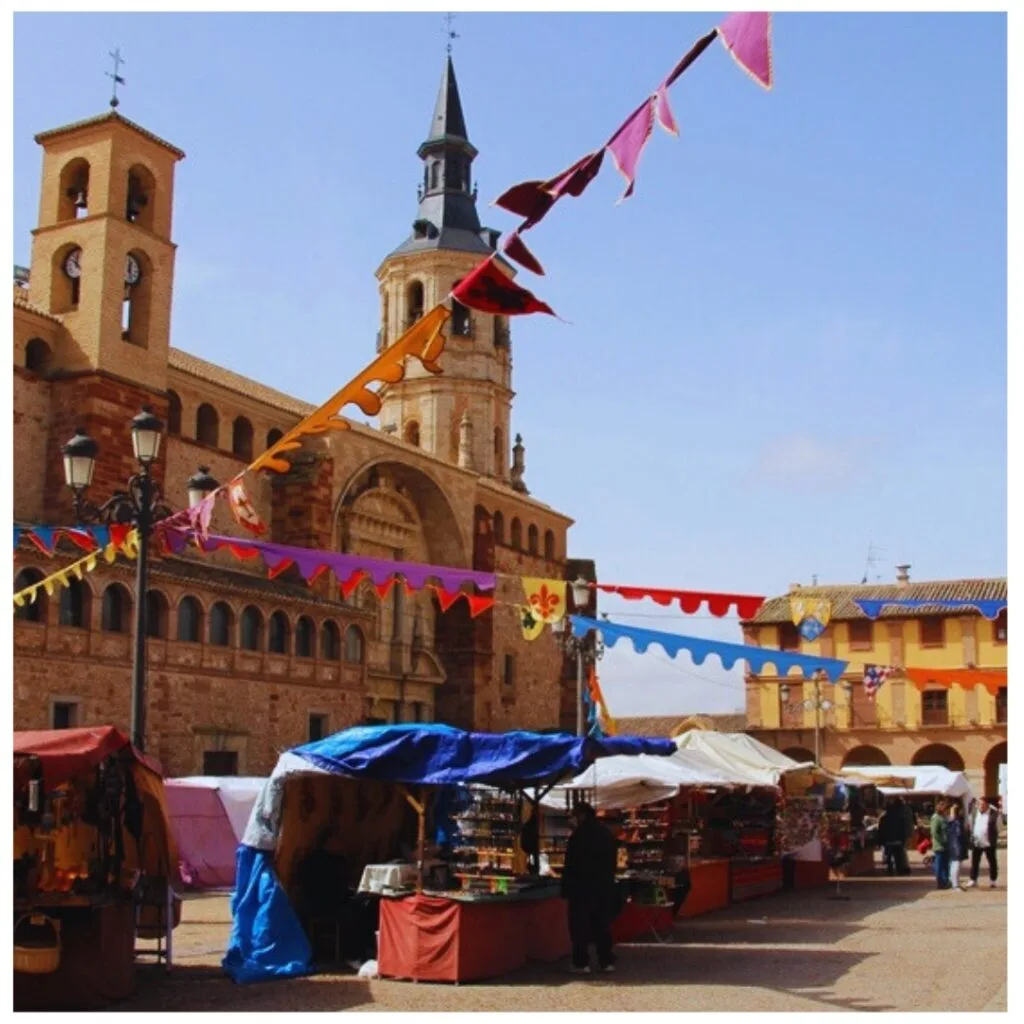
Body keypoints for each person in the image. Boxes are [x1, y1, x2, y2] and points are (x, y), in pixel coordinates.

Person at [560, 802, 618, 975]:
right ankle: (606, 960)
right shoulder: (606, 834)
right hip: (603, 886)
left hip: (581, 888)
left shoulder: (578, 836)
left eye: (575, 815)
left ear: (583, 815)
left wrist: (566, 888)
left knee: (580, 927)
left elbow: (571, 864)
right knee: (602, 926)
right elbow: (613, 861)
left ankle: (581, 962)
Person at [967, 796, 1000, 889]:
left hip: (988, 842)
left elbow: (999, 827)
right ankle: (973, 880)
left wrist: (993, 837)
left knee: (992, 862)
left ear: (987, 805)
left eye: (983, 804)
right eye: (979, 804)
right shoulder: (974, 813)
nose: (980, 806)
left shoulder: (993, 814)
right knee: (975, 862)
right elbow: (971, 824)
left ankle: (993, 881)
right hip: (977, 841)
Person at [878, 799, 907, 877]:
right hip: (898, 840)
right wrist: (903, 839)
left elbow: (881, 830)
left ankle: (890, 870)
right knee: (898, 857)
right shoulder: (900, 817)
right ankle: (898, 870)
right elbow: (903, 829)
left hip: (888, 841)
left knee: (889, 857)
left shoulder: (883, 818)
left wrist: (881, 840)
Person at [929, 799, 950, 890]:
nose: (947, 811)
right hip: (939, 846)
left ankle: (945, 881)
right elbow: (934, 832)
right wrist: (943, 841)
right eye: (945, 809)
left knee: (945, 864)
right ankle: (940, 882)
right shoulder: (936, 818)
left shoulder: (943, 817)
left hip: (946, 845)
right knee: (940, 865)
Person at [946, 803, 967, 890]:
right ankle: (955, 884)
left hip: (957, 844)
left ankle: (955, 882)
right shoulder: (954, 821)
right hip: (956, 845)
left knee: (956, 864)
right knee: (956, 865)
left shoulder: (958, 820)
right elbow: (958, 834)